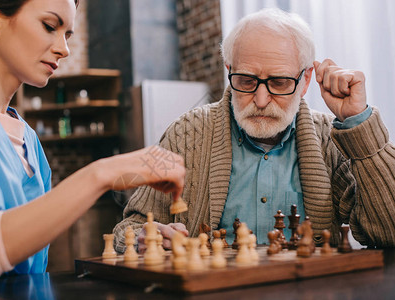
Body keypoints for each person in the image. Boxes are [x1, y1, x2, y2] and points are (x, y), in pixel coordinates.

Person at [113, 7, 395, 253]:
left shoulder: (332, 139)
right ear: (229, 70)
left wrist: (358, 124)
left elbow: (389, 232)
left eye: (280, 82)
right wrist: (142, 238)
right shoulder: (185, 134)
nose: (261, 101)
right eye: (246, 81)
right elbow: (131, 227)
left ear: (305, 80)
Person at [0, 0, 185, 288]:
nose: (64, 49)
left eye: (68, 35)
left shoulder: (30, 142)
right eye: (49, 26)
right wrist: (102, 173)